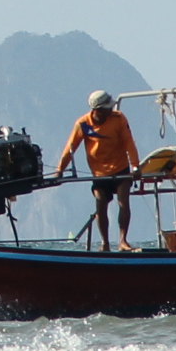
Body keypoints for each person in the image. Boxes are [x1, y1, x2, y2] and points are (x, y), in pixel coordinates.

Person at [58, 88, 141, 249]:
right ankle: (105, 243)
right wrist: (60, 170)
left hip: (121, 168)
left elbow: (129, 143)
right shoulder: (83, 124)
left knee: (123, 202)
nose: (111, 110)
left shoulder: (118, 119)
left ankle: (123, 240)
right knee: (101, 204)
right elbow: (70, 148)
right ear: (98, 110)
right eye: (107, 108)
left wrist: (135, 165)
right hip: (99, 173)